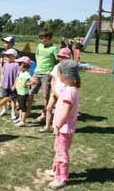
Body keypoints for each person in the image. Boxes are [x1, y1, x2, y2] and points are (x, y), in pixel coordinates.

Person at [45, 60, 80, 190]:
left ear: (65, 76)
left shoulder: (69, 92)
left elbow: (65, 112)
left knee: (61, 153)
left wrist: (58, 126)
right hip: (65, 128)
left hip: (63, 129)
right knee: (58, 150)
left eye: (59, 73)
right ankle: (55, 170)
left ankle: (61, 178)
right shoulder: (71, 89)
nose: (57, 75)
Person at [28, 28, 59, 123]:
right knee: (30, 92)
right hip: (37, 72)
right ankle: (27, 111)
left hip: (47, 75)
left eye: (42, 38)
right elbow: (37, 55)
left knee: (45, 95)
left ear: (48, 38)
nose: (40, 40)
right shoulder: (39, 46)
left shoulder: (54, 48)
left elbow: (58, 61)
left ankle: (44, 114)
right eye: (39, 38)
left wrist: (51, 72)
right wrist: (38, 66)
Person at [40, 48, 72, 133]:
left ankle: (60, 127)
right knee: (49, 108)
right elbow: (53, 80)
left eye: (63, 57)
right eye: (60, 56)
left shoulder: (70, 69)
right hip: (55, 92)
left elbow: (70, 82)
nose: (61, 58)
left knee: (62, 111)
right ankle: (47, 126)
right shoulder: (57, 67)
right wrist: (53, 91)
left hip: (65, 94)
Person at [13, 56, 34, 127]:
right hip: (19, 92)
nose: (18, 66)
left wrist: (27, 84)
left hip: (23, 94)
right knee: (20, 107)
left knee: (23, 108)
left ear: (24, 65)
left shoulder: (27, 74)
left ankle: (23, 121)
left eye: (19, 64)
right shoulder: (21, 72)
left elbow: (33, 81)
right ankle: (20, 118)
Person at [0, 49, 19, 120]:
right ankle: (4, 109)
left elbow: (17, 76)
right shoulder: (5, 64)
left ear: (14, 56)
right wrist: (1, 82)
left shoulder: (16, 65)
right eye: (6, 55)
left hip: (12, 86)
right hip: (5, 85)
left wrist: (14, 85)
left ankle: (13, 112)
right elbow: (3, 74)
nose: (6, 57)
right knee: (4, 98)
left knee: (13, 99)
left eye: (8, 55)